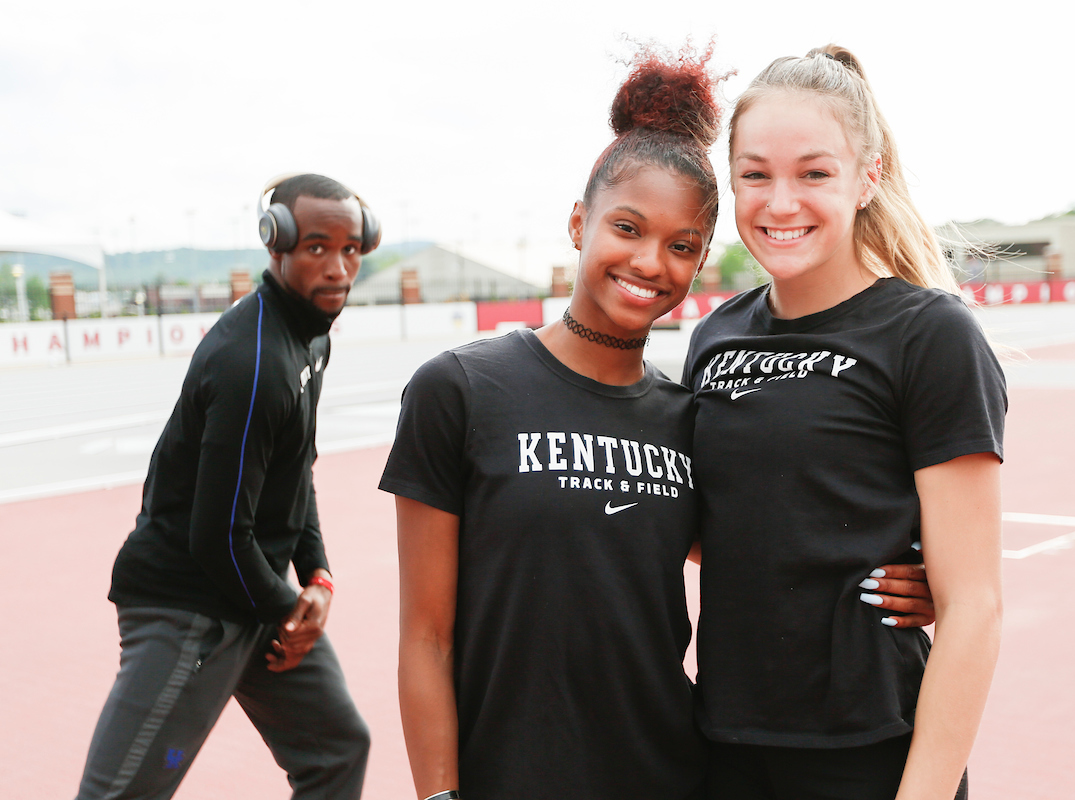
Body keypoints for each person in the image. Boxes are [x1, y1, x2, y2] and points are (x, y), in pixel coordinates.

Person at [381, 45, 933, 800]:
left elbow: (759, 532)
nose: (650, 262)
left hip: (677, 771)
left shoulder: (688, 413)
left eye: (681, 246)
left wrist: (919, 575)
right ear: (580, 224)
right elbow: (424, 637)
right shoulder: (462, 390)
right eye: (628, 228)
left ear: (703, 260)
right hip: (510, 776)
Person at [683, 46, 1006, 800]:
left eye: (815, 173)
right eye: (755, 174)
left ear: (869, 176)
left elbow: (975, 609)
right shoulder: (714, 336)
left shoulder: (929, 334)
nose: (781, 202)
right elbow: (722, 521)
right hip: (724, 742)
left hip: (869, 750)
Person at [73, 173, 377, 800]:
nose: (338, 267)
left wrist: (316, 576)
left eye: (350, 249)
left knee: (338, 750)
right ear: (277, 245)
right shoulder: (254, 362)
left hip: (253, 592)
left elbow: (296, 471)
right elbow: (216, 536)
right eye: (317, 247)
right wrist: (289, 609)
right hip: (190, 604)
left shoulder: (308, 336)